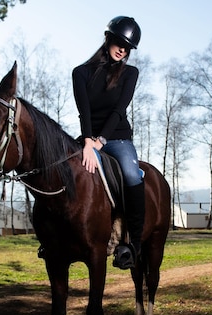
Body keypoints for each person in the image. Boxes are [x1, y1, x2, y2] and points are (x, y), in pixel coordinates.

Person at [72, 16, 144, 269]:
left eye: (128, 47)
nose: (123, 49)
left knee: (131, 175)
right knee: (66, 169)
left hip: (118, 137)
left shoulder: (130, 73)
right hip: (88, 136)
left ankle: (133, 243)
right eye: (119, 42)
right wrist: (88, 142)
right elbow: (84, 112)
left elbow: (118, 110)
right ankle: (55, 237)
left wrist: (100, 141)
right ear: (108, 39)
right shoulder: (80, 73)